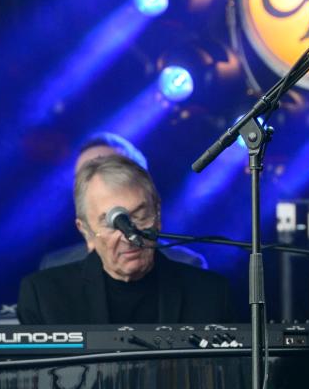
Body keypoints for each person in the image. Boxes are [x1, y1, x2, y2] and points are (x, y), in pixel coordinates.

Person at [17, 154, 231, 324]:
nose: (129, 236)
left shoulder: (210, 295)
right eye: (112, 223)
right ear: (85, 231)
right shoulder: (45, 297)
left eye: (138, 216)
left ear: (158, 216)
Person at [38, 132, 206, 271]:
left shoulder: (186, 266)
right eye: (82, 178)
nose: (95, 184)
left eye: (108, 172)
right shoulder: (56, 267)